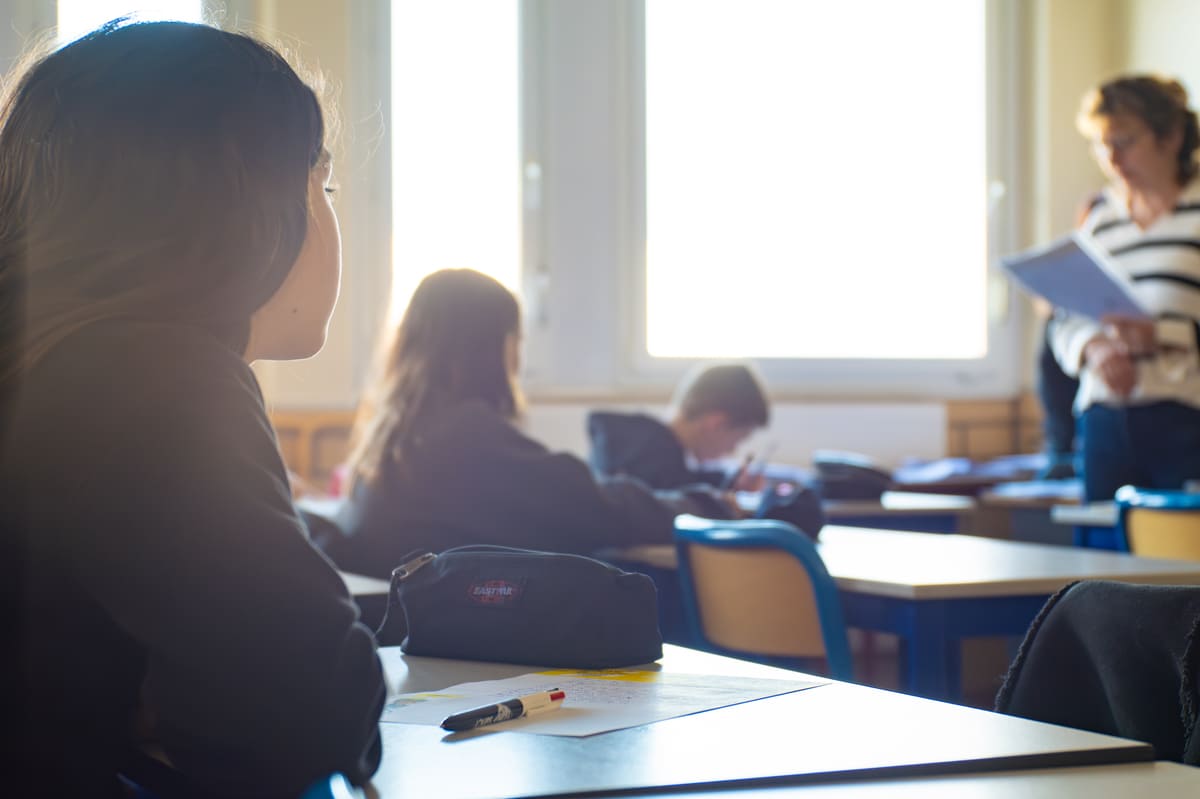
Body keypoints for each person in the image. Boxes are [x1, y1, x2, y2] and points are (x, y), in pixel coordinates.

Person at [0, 21, 384, 797]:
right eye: (322, 185)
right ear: (243, 208)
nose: (328, 216)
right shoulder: (148, 377)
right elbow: (310, 716)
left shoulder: (50, 363)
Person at [325, 268, 736, 578]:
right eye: (517, 340)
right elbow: (594, 505)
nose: (519, 357)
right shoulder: (465, 437)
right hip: (464, 648)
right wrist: (710, 506)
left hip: (414, 638)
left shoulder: (394, 439)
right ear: (494, 347)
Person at [1049, 74, 1200, 501]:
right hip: (1104, 421)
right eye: (1102, 145)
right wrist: (1094, 346)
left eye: (1125, 142)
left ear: (1170, 137)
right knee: (1105, 541)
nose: (1112, 158)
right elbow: (1064, 321)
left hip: (1184, 417)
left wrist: (1163, 335)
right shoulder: (1101, 224)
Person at [586, 363, 770, 491]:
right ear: (716, 423)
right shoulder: (655, 455)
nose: (732, 451)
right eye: (737, 439)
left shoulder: (645, 447)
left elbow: (683, 483)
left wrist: (729, 482)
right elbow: (675, 501)